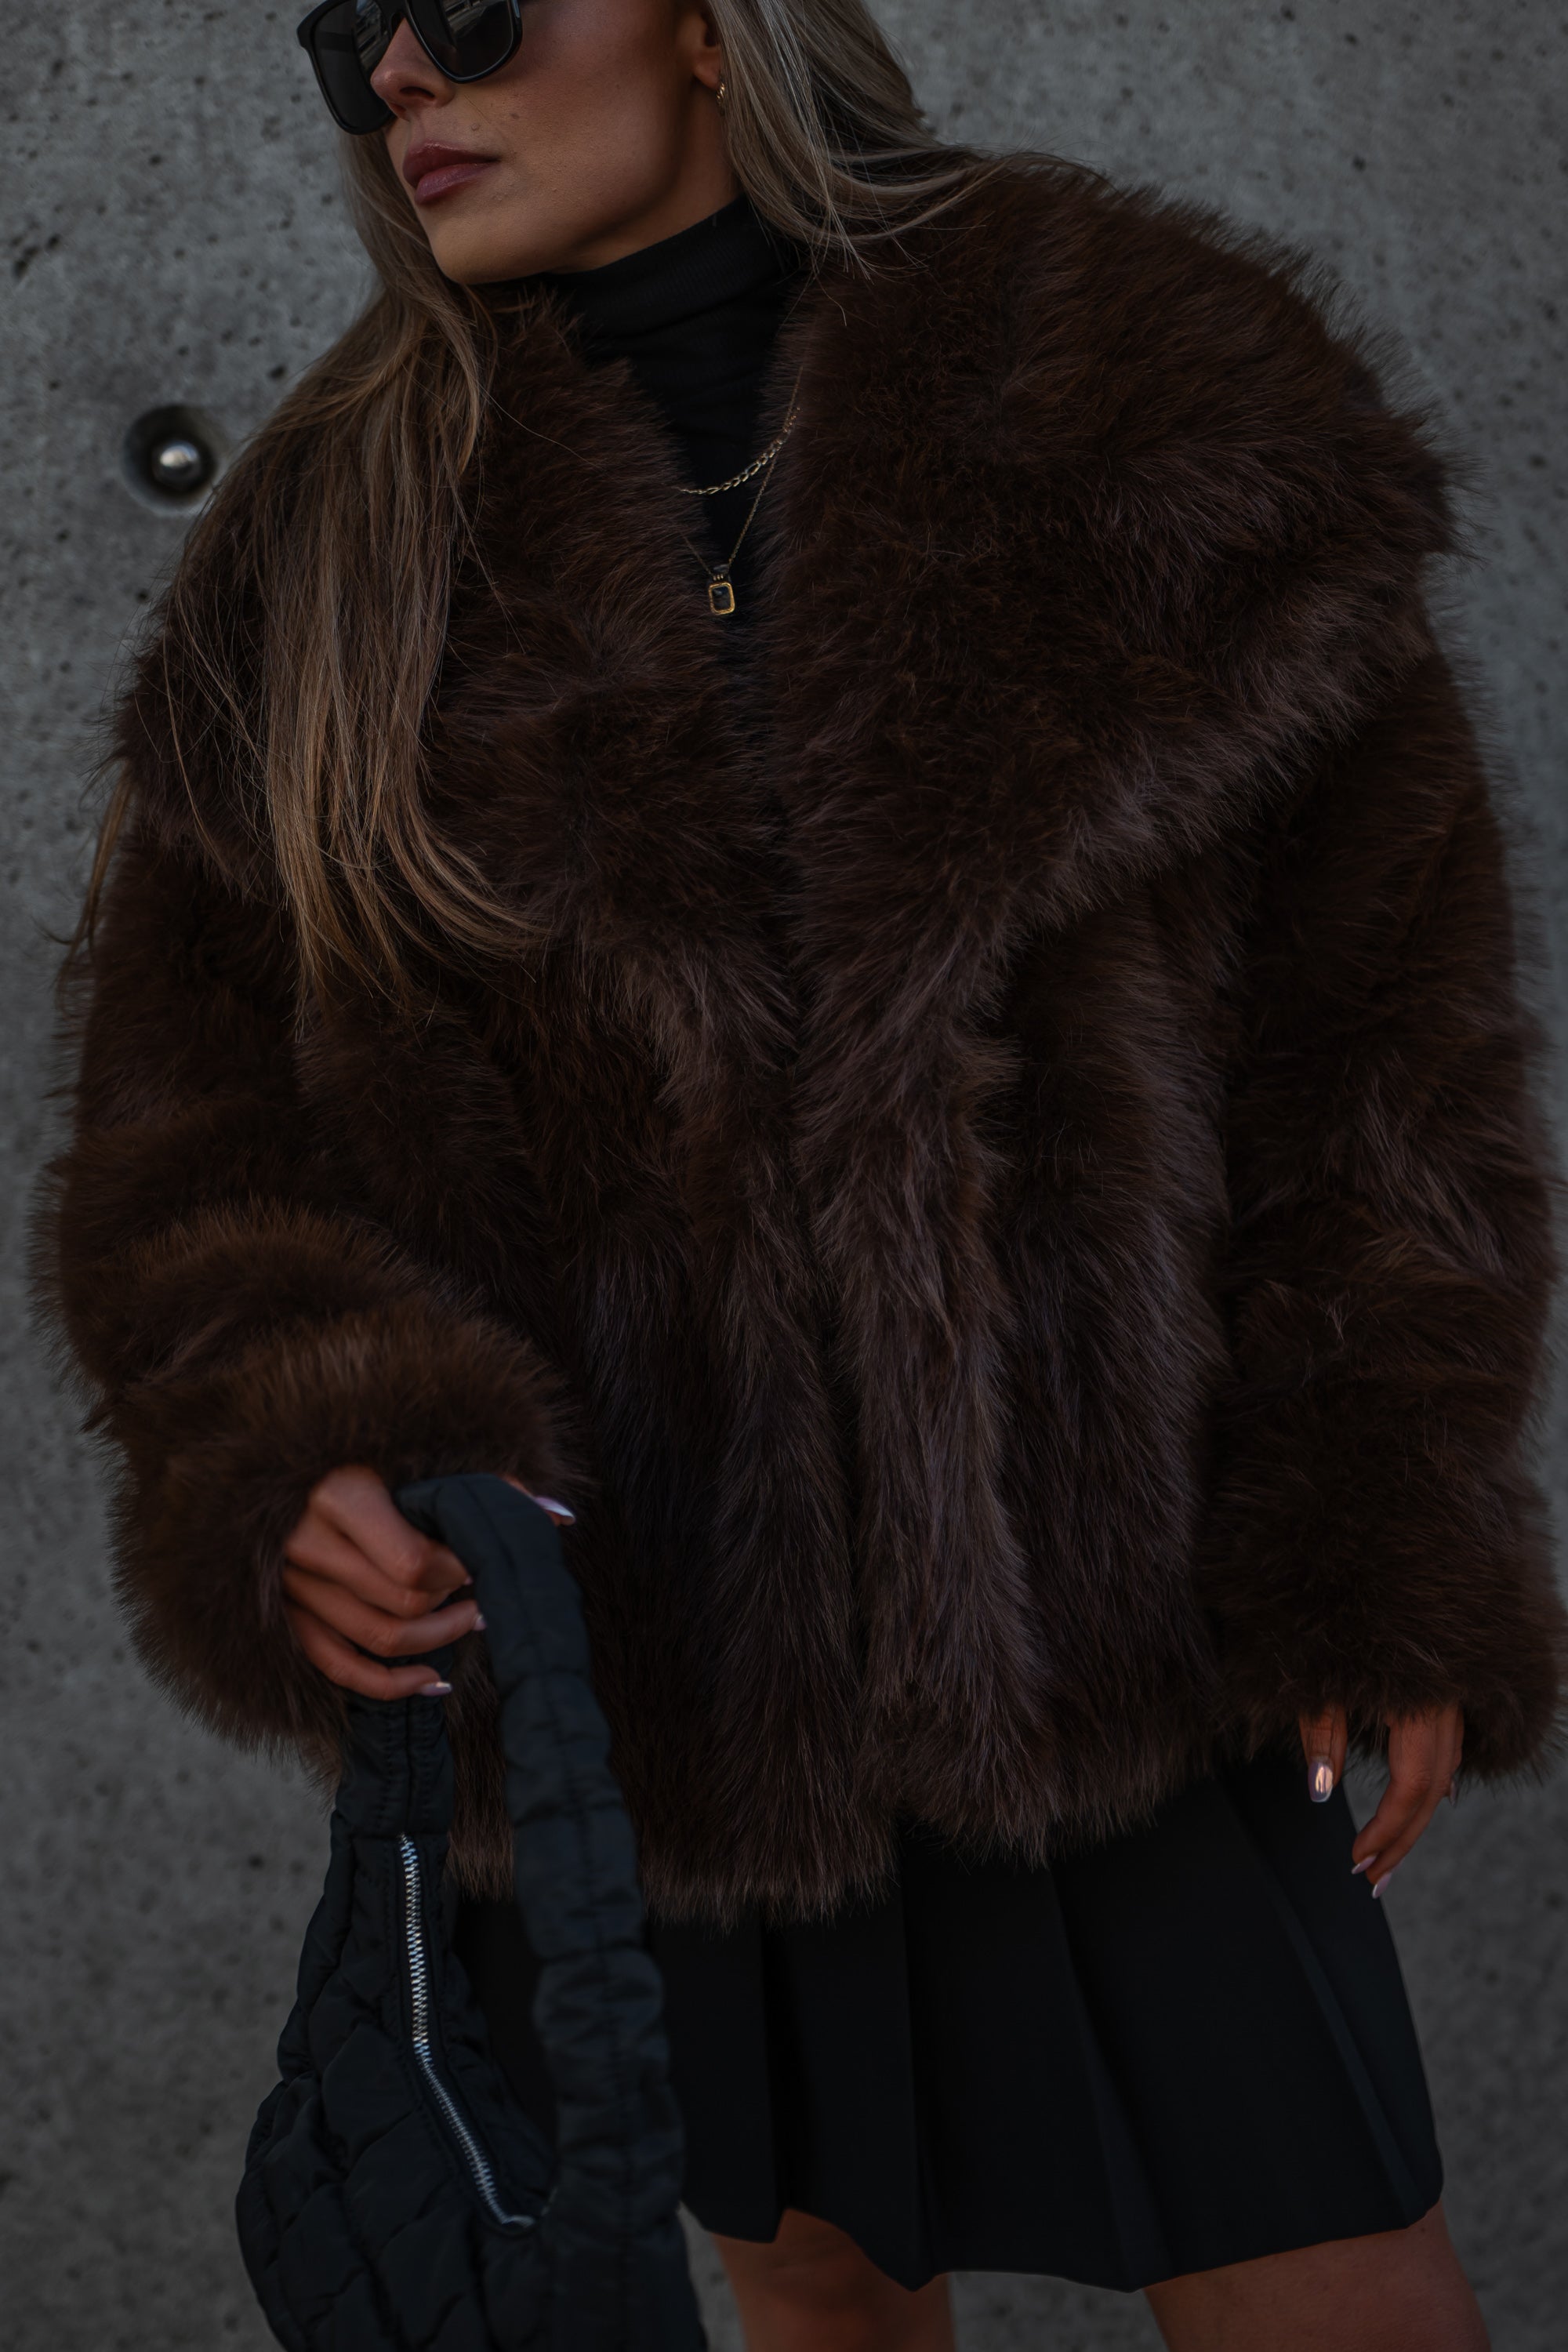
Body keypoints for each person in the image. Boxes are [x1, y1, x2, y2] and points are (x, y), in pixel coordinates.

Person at [42, 3, 1563, 2347]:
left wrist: (1383, 1532)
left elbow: (1388, 1064)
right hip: (657, 1672)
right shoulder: (327, 554)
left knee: (1345, 2288)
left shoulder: (1157, 413)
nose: (407, 76)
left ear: (704, 22)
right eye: (352, 33)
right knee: (823, 2291)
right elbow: (191, 1141)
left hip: (1122, 1650)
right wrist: (298, 1446)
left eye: (471, 1)